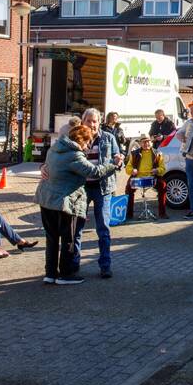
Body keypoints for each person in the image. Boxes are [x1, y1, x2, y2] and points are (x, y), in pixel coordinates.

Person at [35, 125, 118, 285]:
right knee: (69, 239)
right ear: (81, 140)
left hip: (46, 200)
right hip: (64, 203)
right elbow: (94, 172)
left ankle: (50, 274)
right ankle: (65, 275)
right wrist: (113, 164)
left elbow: (46, 166)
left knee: (52, 239)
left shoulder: (54, 149)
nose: (87, 146)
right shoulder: (74, 156)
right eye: (87, 142)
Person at [80, 108, 124, 278]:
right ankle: (73, 264)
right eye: (89, 121)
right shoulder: (77, 138)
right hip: (81, 188)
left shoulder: (108, 137)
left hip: (102, 188)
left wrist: (119, 160)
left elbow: (118, 158)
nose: (92, 124)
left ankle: (105, 265)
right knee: (76, 228)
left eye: (95, 121)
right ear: (83, 121)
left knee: (103, 228)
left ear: (99, 122)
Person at [127, 133, 168, 219]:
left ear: (151, 142)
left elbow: (163, 168)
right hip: (138, 177)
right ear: (140, 143)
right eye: (144, 142)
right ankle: (128, 214)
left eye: (148, 141)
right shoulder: (134, 154)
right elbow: (128, 168)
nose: (146, 144)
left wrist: (157, 170)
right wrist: (132, 170)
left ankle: (162, 213)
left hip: (152, 177)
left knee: (163, 185)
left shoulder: (158, 153)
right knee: (128, 188)